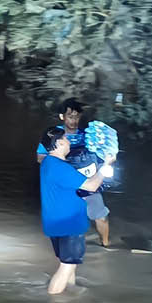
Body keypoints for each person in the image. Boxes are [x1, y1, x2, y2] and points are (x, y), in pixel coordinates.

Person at [41, 126, 108, 295]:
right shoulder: (59, 167)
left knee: (69, 263)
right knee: (67, 265)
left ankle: (69, 295)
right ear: (58, 144)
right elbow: (92, 186)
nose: (68, 141)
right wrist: (105, 168)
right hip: (68, 224)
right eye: (65, 139)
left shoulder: (48, 163)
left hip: (55, 223)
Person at [36, 98, 112, 247]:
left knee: (101, 216)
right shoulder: (53, 136)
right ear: (62, 116)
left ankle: (106, 244)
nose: (74, 120)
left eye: (77, 117)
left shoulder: (88, 136)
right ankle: (70, 248)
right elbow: (41, 159)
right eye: (70, 116)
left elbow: (101, 157)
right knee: (70, 219)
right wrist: (66, 163)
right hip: (66, 186)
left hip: (87, 182)